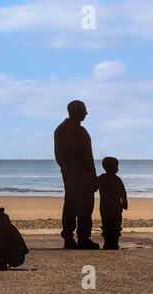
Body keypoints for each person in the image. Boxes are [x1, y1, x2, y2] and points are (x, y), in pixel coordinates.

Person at [54, 100, 99, 250]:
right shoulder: (65, 130)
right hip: (76, 176)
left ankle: (80, 237)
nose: (86, 113)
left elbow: (87, 157)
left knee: (82, 207)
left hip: (80, 176)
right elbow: (66, 156)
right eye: (84, 110)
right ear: (76, 111)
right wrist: (74, 172)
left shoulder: (78, 130)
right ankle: (73, 237)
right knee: (75, 206)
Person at [97, 157, 128, 250]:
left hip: (108, 206)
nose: (117, 168)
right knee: (111, 225)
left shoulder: (102, 178)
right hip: (113, 206)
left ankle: (111, 243)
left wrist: (125, 202)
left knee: (111, 224)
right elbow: (123, 193)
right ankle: (111, 243)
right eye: (116, 166)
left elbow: (123, 193)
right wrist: (125, 203)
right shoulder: (116, 179)